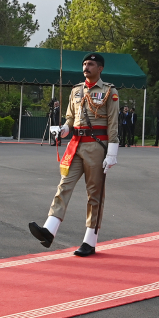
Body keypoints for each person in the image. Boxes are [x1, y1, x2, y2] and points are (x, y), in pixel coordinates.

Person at [29, 52, 119, 257]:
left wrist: (112, 153)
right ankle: (49, 230)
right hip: (76, 144)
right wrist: (63, 129)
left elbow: (113, 122)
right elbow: (70, 118)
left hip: (97, 146)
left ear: (100, 68)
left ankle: (90, 240)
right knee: (64, 185)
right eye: (85, 64)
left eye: (91, 64)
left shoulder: (109, 91)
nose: (86, 67)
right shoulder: (76, 90)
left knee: (94, 194)